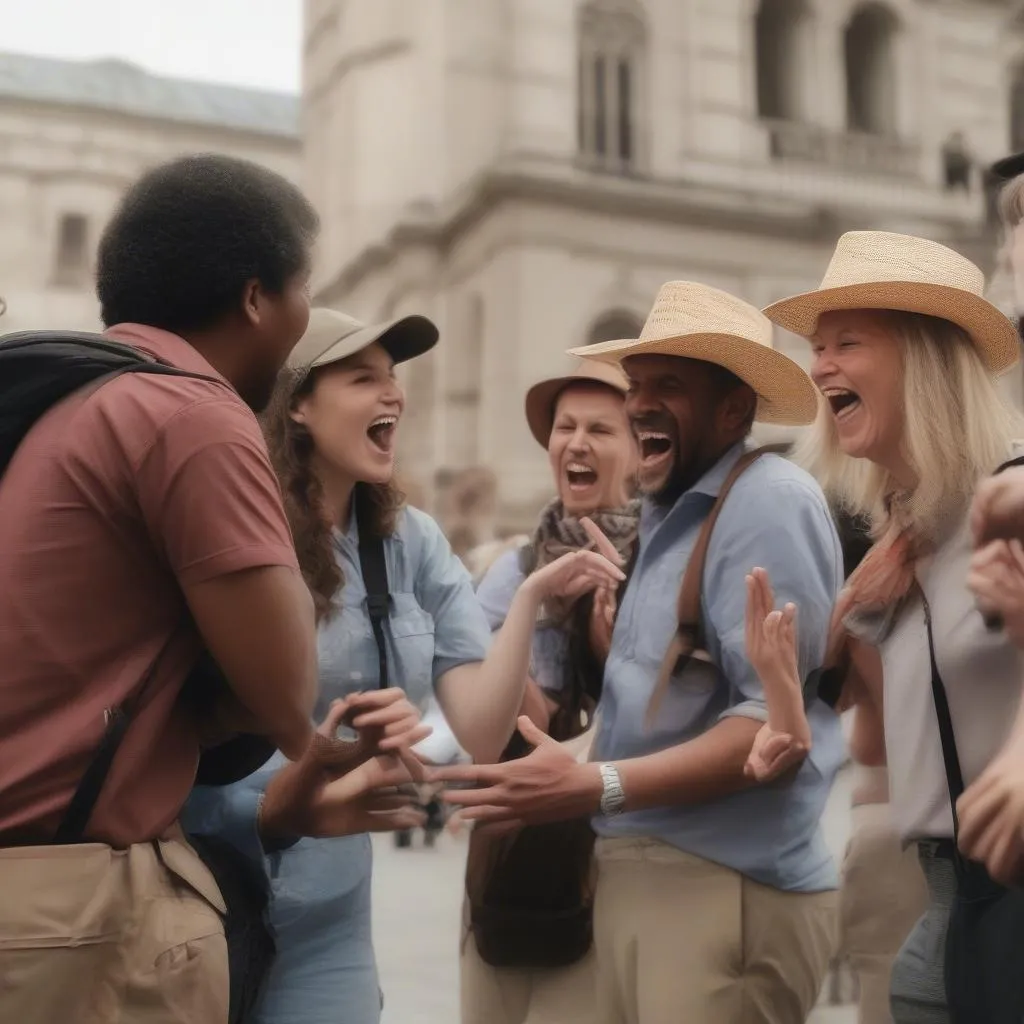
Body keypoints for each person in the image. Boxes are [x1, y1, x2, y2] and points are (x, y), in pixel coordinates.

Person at [185, 307, 625, 1024]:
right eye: (364, 379)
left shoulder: (409, 539)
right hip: (213, 881)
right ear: (297, 406)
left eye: (394, 379)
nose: (394, 395)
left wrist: (531, 600)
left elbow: (483, 731)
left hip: (333, 913)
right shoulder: (236, 523)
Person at [438, 281, 845, 1024]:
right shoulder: (666, 519)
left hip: (723, 886)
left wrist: (594, 784)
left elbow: (769, 728)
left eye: (671, 386)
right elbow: (658, 714)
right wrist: (572, 761)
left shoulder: (767, 502)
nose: (641, 404)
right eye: (639, 384)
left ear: (734, 411)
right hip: (640, 885)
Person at [0, 154, 322, 1022]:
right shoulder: (191, 415)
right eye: (303, 291)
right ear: (257, 298)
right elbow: (289, 699)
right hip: (77, 916)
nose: (305, 323)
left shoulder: (60, 402)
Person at [762, 229, 1024, 1024]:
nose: (818, 367)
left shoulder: (1012, 495)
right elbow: (880, 749)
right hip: (942, 910)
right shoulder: (896, 550)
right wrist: (784, 703)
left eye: (847, 343)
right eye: (816, 346)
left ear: (923, 359)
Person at [461, 358, 639, 1024]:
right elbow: (481, 712)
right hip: (512, 858)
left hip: (615, 860)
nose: (577, 442)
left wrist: (612, 629)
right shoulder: (514, 568)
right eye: (566, 427)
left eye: (601, 428)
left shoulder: (665, 558)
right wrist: (535, 603)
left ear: (641, 448)